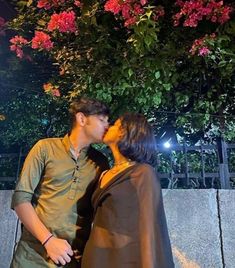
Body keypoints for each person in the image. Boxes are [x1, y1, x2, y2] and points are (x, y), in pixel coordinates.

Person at [10, 97, 110, 268]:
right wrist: (48, 241)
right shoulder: (45, 148)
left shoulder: (100, 163)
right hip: (31, 256)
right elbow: (21, 200)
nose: (107, 126)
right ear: (81, 119)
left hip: (71, 260)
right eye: (102, 120)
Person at [81, 113, 175, 268]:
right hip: (96, 257)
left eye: (114, 125)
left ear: (125, 132)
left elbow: (149, 227)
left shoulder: (143, 173)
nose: (108, 126)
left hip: (125, 259)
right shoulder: (104, 173)